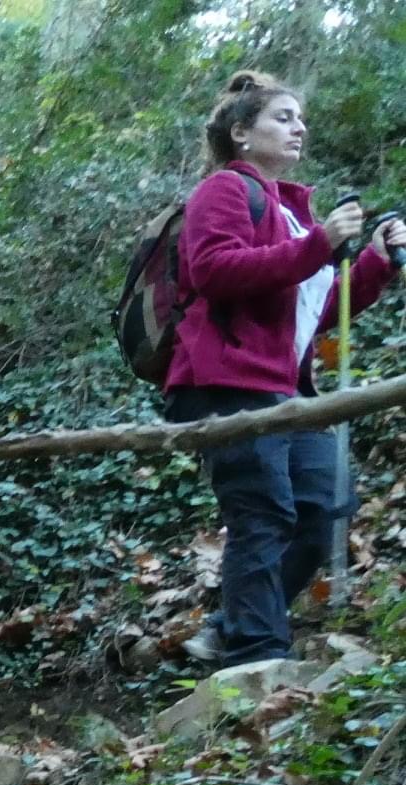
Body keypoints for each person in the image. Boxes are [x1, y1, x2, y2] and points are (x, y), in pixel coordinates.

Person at [166, 70, 402, 669]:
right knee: (263, 512)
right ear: (242, 133)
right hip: (230, 381)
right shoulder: (222, 191)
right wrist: (319, 244)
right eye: (283, 117)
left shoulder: (293, 214)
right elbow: (215, 270)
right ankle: (256, 656)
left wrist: (373, 260)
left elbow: (313, 311)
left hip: (288, 387)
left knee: (320, 513)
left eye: (300, 118)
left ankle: (232, 625)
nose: (299, 128)